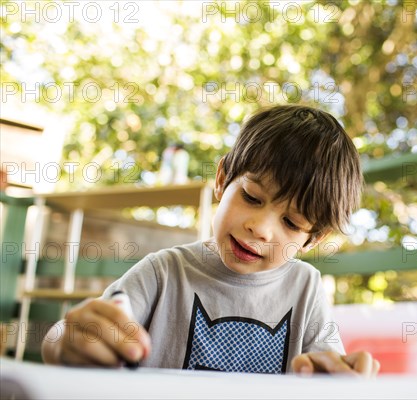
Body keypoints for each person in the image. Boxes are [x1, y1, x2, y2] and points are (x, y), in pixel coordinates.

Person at [41, 105, 379, 376]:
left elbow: (330, 368)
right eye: (251, 197)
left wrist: (342, 379)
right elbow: (67, 336)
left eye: (291, 222)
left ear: (313, 239)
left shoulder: (307, 288)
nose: (260, 228)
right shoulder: (164, 272)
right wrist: (66, 342)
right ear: (222, 179)